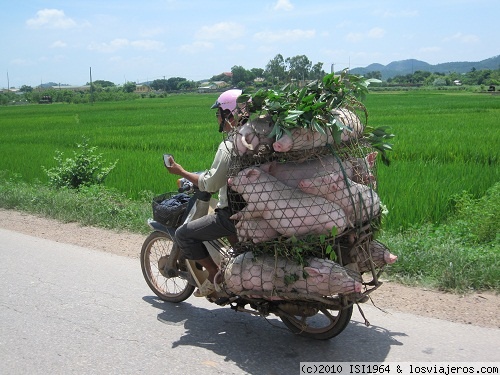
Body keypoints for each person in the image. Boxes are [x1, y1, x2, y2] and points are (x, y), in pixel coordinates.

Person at [165, 89, 245, 297]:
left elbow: (210, 183)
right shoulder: (257, 140)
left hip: (232, 216)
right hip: (255, 211)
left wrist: (181, 172)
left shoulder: (230, 145)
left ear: (230, 115)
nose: (217, 118)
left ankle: (214, 276)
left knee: (184, 234)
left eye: (218, 113)